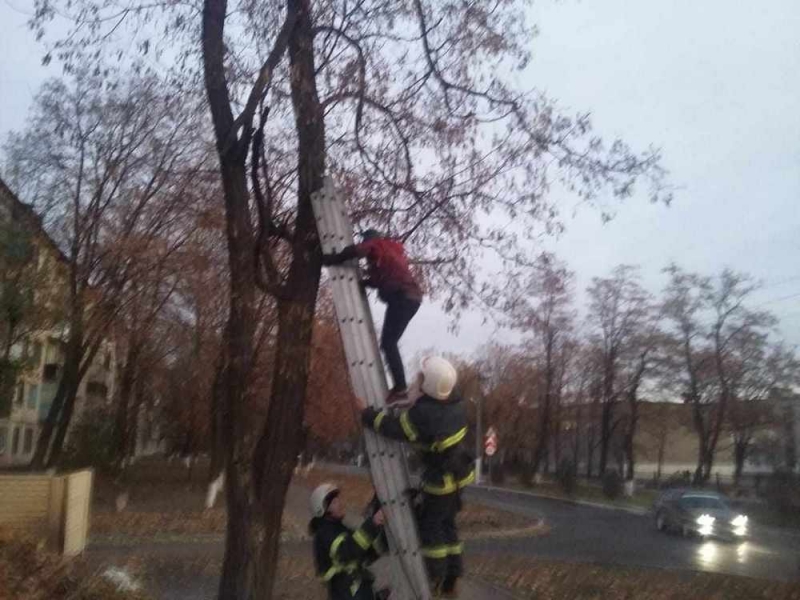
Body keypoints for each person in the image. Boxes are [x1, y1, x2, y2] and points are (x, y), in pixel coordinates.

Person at [356, 356, 474, 598]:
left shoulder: (424, 415)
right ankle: (452, 576)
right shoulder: (456, 405)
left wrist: (367, 414)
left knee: (432, 529)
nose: (415, 382)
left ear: (429, 386)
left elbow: (395, 429)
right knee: (448, 525)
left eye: (419, 380)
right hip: (459, 477)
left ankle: (434, 576)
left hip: (439, 482)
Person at [322, 229, 422, 402]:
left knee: (388, 343)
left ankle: (400, 389)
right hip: (413, 299)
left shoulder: (376, 244)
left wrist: (334, 259)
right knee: (390, 342)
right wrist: (364, 283)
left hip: (402, 297)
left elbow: (357, 250)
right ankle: (400, 388)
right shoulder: (391, 252)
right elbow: (383, 278)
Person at [309, 482, 390, 600]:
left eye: (338, 500)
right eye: (334, 502)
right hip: (346, 591)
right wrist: (373, 524)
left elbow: (367, 552)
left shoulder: (339, 529)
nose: (340, 504)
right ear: (322, 510)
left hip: (355, 589)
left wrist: (383, 537)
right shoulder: (325, 533)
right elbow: (348, 551)